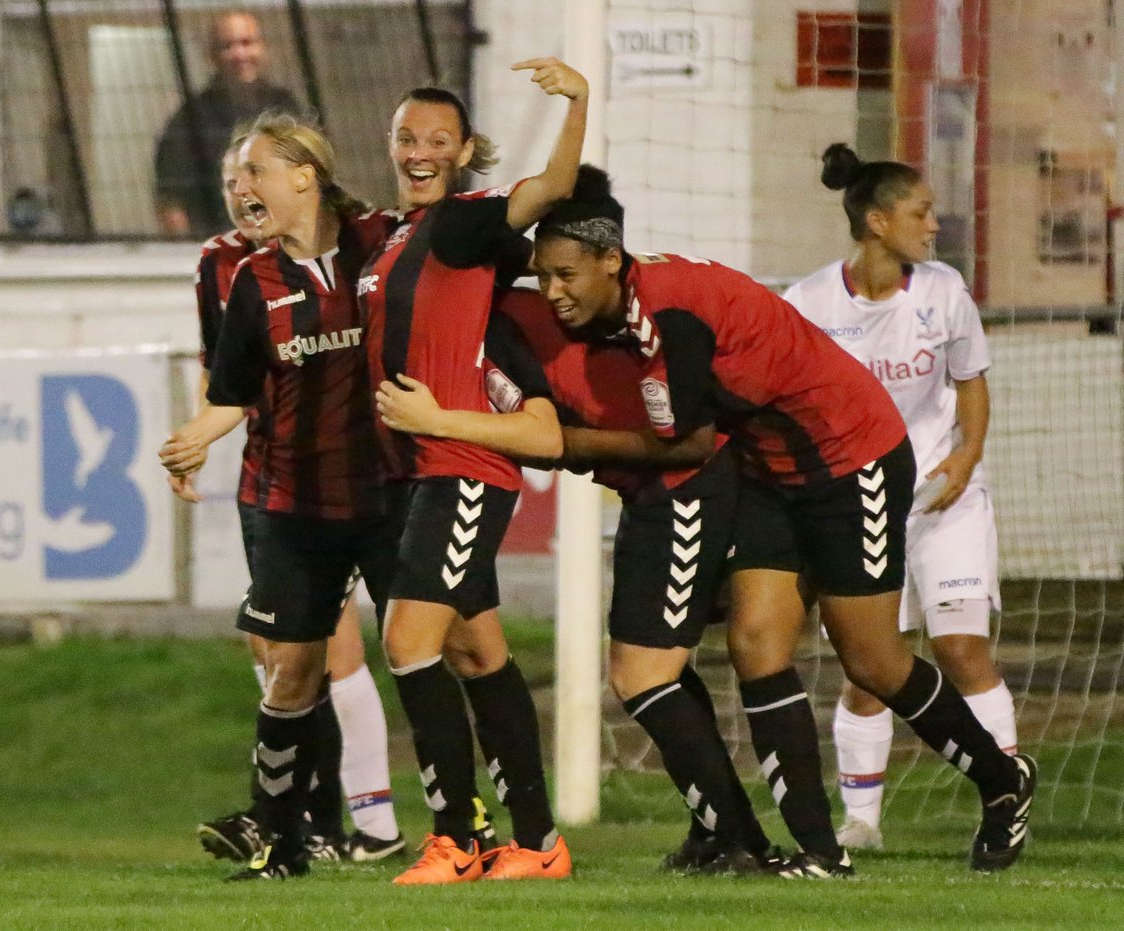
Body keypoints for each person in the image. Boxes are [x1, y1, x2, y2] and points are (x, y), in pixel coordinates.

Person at [528, 164, 1037, 877]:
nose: (552, 292)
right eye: (541, 277)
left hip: (850, 459)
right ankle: (820, 851)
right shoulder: (638, 298)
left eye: (564, 275)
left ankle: (1003, 781)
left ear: (611, 259)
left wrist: (557, 443)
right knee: (757, 640)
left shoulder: (668, 317)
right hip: (773, 473)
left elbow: (689, 441)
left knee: (872, 660)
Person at [377, 282, 784, 877]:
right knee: (488, 651)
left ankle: (756, 842)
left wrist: (438, 420)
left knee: (642, 675)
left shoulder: (500, 318)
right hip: (645, 485)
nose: (557, 288)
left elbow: (547, 433)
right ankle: (681, 834)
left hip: (682, 484)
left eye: (566, 273)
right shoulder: (468, 314)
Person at [359, 60, 587, 885]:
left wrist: (577, 102)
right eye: (407, 137)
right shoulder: (391, 234)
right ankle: (537, 842)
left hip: (462, 467)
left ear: (463, 152)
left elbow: (550, 187)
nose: (420, 150)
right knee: (477, 652)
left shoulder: (464, 222)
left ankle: (455, 837)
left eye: (438, 140)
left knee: (406, 641)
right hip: (417, 471)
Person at [159, 111, 401, 880]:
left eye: (252, 174)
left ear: (304, 175)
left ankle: (423, 823)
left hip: (384, 487)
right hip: (287, 493)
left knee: (423, 649)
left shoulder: (380, 240)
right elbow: (229, 382)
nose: (240, 192)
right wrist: (197, 435)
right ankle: (284, 832)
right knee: (288, 658)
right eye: (233, 181)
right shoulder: (237, 273)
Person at [782, 142, 1018, 851]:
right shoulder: (810, 302)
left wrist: (966, 455)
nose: (935, 223)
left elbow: (970, 380)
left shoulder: (944, 290)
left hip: (944, 497)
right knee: (870, 665)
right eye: (922, 210)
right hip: (857, 505)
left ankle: (1006, 797)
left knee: (961, 646)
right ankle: (863, 821)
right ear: (878, 221)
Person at [154, 10, 300, 239]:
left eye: (247, 43)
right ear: (211, 56)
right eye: (227, 46)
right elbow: (171, 200)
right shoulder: (189, 119)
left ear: (263, 49)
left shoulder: (287, 108)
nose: (240, 54)